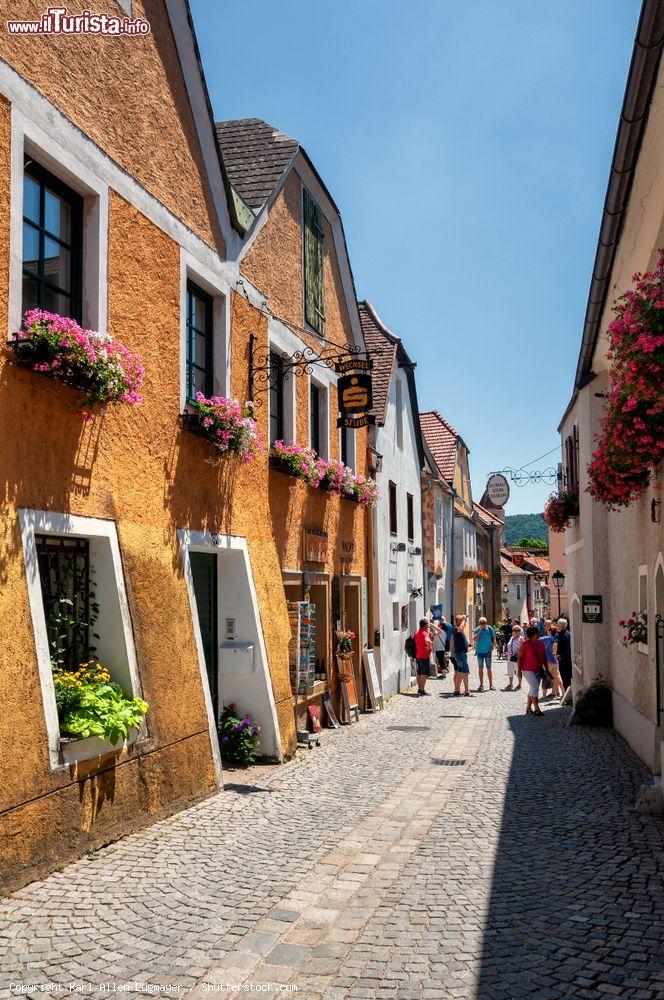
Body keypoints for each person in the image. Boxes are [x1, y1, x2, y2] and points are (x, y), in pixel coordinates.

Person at [517, 625, 549, 715]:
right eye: (537, 633)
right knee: (535, 687)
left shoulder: (540, 643)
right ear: (533, 634)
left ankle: (528, 708)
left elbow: (544, 657)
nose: (539, 634)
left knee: (533, 688)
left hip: (538, 669)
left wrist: (547, 669)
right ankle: (537, 709)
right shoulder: (525, 644)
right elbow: (520, 658)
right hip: (527, 669)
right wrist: (519, 671)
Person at [472, 617, 496, 692]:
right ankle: (481, 684)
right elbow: (475, 639)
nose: (483, 624)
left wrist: (493, 646)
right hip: (479, 652)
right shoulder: (477, 629)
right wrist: (480, 630)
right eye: (481, 623)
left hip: (488, 652)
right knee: (480, 668)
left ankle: (491, 684)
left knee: (489, 668)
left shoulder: (490, 629)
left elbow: (494, 638)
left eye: (484, 623)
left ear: (486, 622)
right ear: (479, 623)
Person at [541, 622, 565, 699]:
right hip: (555, 661)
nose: (547, 631)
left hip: (547, 661)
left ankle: (544, 696)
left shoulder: (545, 638)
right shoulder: (556, 639)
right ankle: (563, 692)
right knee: (557, 677)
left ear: (550, 631)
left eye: (548, 630)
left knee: (545, 678)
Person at [451, 614, 472, 697]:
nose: (463, 621)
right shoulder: (456, 628)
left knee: (459, 672)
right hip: (460, 653)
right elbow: (460, 629)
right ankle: (466, 691)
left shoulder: (457, 628)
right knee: (465, 672)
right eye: (461, 620)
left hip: (459, 652)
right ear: (458, 621)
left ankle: (457, 690)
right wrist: (464, 620)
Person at [414, 618, 433, 696]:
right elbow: (427, 641)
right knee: (424, 673)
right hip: (424, 656)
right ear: (425, 626)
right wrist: (429, 646)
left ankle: (419, 688)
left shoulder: (417, 633)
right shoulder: (424, 633)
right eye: (427, 625)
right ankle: (422, 690)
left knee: (419, 672)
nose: (428, 627)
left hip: (418, 655)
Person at [505, 625, 524, 690]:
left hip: (517, 657)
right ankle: (511, 683)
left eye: (518, 630)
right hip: (510, 656)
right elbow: (509, 646)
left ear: (520, 631)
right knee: (510, 670)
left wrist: (519, 653)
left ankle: (519, 684)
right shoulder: (511, 638)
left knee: (518, 670)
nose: (516, 632)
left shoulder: (521, 638)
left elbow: (523, 648)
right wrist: (507, 652)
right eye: (515, 630)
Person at [556, 618, 572, 691]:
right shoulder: (569, 633)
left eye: (557, 624)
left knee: (565, 679)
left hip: (563, 660)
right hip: (569, 659)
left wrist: (557, 655)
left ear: (560, 626)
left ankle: (567, 696)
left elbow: (560, 649)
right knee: (569, 678)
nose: (556, 626)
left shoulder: (560, 635)